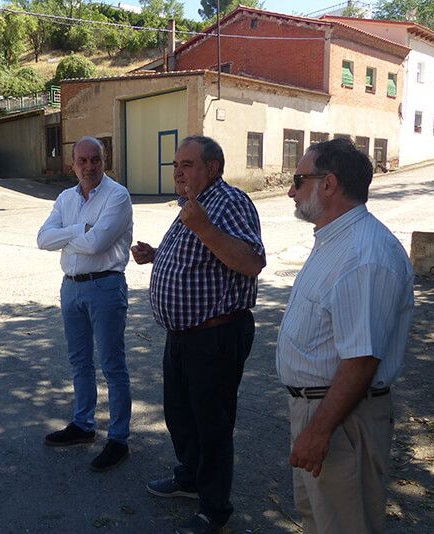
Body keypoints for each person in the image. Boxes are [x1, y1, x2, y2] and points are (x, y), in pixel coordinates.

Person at [277, 138, 414, 534]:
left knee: (345, 524)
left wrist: (319, 430)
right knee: (320, 521)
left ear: (329, 184)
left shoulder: (363, 256)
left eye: (298, 179)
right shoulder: (335, 240)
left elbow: (362, 360)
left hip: (340, 420)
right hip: (320, 411)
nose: (290, 190)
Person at [134, 135, 265, 534]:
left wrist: (205, 229)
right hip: (183, 336)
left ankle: (214, 506)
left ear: (213, 167)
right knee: (180, 415)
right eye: (176, 164)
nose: (177, 171)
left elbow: (251, 262)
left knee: (212, 423)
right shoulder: (192, 206)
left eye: (187, 164)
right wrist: (158, 255)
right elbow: (202, 259)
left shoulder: (230, 202)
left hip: (216, 336)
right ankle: (189, 478)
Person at [37, 136, 133, 472]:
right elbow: (42, 239)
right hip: (71, 288)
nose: (89, 167)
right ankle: (83, 425)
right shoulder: (66, 198)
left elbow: (97, 245)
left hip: (105, 287)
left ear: (104, 160)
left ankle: (118, 439)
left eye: (96, 159)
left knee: (112, 365)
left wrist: (68, 236)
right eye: (83, 160)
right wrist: (79, 228)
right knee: (79, 361)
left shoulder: (117, 196)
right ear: (72, 163)